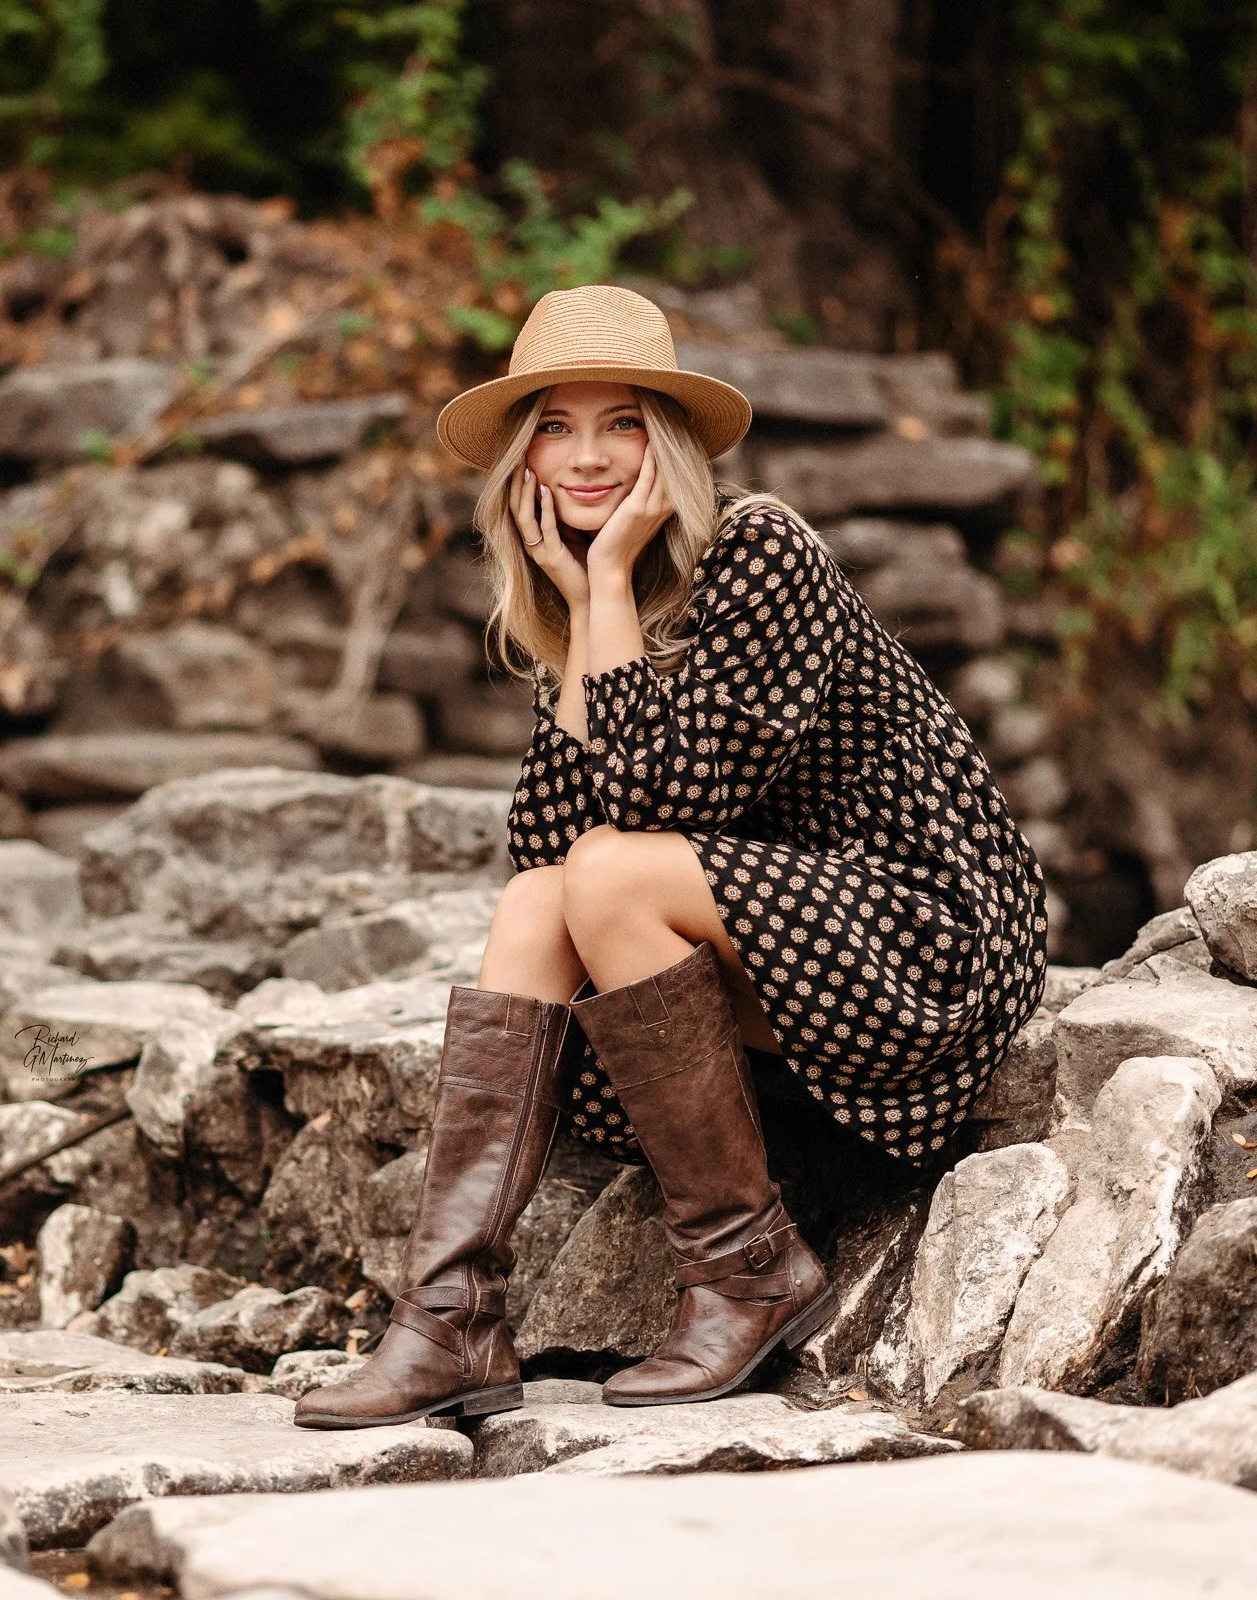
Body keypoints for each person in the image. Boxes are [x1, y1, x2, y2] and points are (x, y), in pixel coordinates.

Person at [293, 284, 1049, 1428]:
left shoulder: (760, 550)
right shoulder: (594, 606)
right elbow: (547, 844)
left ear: (671, 437)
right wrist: (591, 608)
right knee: (540, 902)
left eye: (622, 422)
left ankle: (748, 1274)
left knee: (603, 870)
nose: (587, 457)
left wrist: (598, 588)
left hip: (925, 935)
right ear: (522, 457)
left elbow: (657, 811)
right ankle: (450, 1318)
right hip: (779, 948)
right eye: (554, 425)